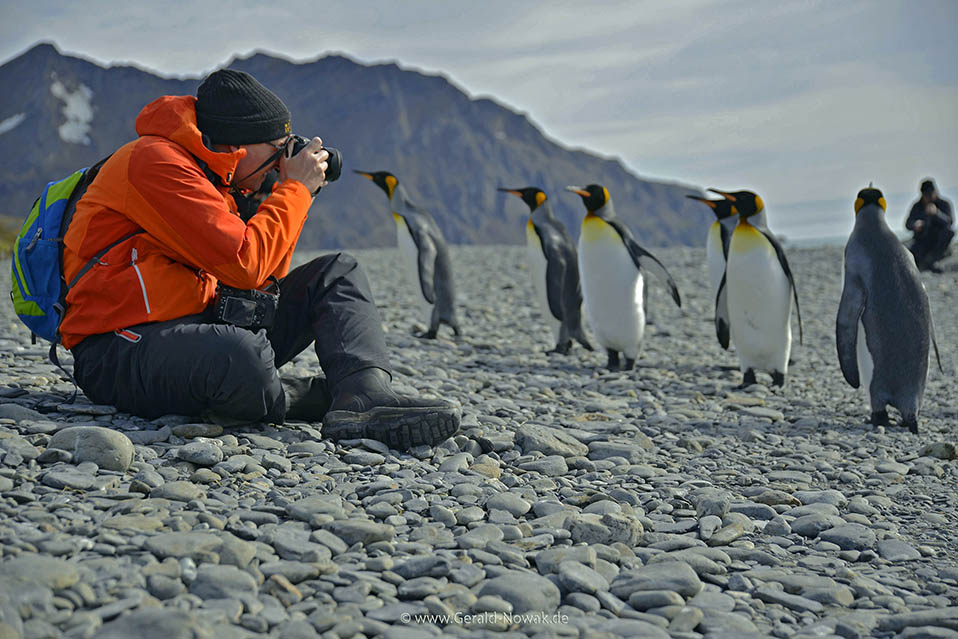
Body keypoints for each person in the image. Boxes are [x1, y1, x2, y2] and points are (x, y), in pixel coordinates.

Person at [61, 69, 460, 451]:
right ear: (241, 145)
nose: (279, 164)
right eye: (275, 153)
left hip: (193, 331)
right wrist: (294, 188)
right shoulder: (154, 162)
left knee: (338, 272)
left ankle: (365, 394)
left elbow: (263, 278)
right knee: (241, 356)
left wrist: (286, 195)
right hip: (116, 349)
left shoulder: (219, 178)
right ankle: (296, 395)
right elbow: (244, 263)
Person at [906, 178, 954, 273]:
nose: (929, 197)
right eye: (926, 195)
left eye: (930, 194)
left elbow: (949, 222)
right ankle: (925, 264)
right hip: (922, 240)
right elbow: (908, 224)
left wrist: (936, 213)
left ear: (935, 191)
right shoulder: (917, 206)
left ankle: (932, 261)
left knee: (949, 232)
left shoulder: (944, 204)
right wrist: (915, 225)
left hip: (938, 241)